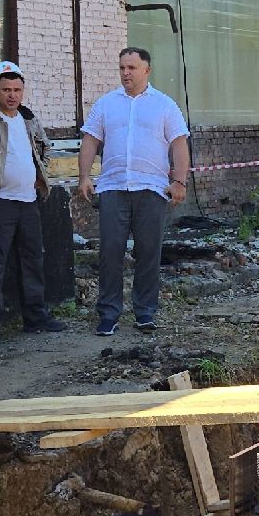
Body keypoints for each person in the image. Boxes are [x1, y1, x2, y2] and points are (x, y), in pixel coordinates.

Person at [77, 47, 190, 336]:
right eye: (122, 68)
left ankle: (145, 312)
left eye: (132, 68)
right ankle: (108, 314)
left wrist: (179, 182)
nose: (126, 73)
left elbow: (179, 144)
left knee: (149, 252)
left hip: (151, 189)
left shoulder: (165, 105)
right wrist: (84, 177)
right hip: (113, 187)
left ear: (146, 70)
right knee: (111, 252)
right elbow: (90, 140)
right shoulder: (106, 104)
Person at [0, 61, 65, 339]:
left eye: (17, 89)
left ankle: (35, 316)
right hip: (0, 201)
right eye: (6, 89)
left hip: (29, 201)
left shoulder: (29, 118)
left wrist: (40, 176)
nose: (12, 95)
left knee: (33, 259)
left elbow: (44, 148)